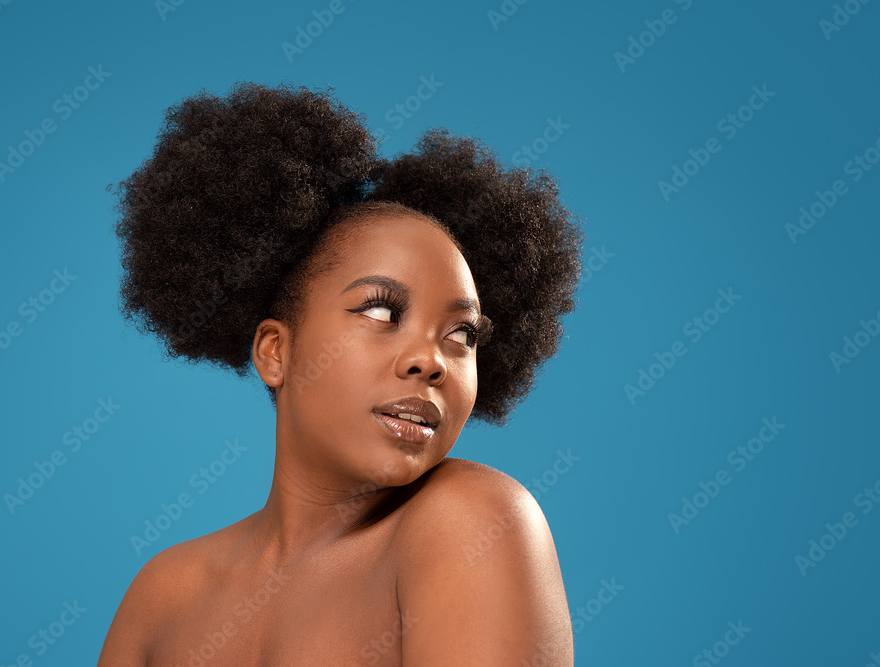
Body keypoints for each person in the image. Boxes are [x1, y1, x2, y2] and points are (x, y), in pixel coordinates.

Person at [97, 81, 584, 666]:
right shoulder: (162, 595)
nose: (430, 359)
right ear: (275, 351)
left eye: (463, 336)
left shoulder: (471, 521)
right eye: (380, 311)